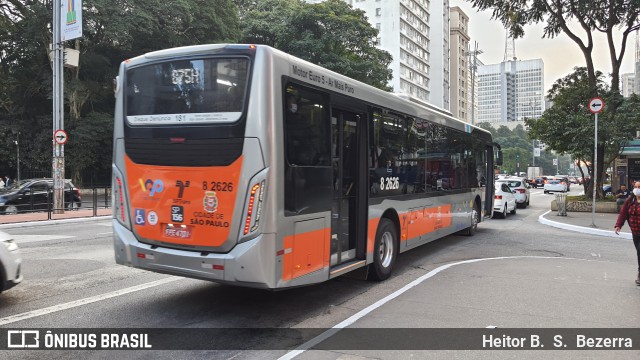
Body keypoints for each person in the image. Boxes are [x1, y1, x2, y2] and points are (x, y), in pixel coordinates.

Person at [614, 181, 640, 286]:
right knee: (639, 252)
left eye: (639, 187)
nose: (637, 189)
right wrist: (618, 225)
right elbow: (623, 213)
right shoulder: (630, 200)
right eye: (636, 187)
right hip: (635, 231)